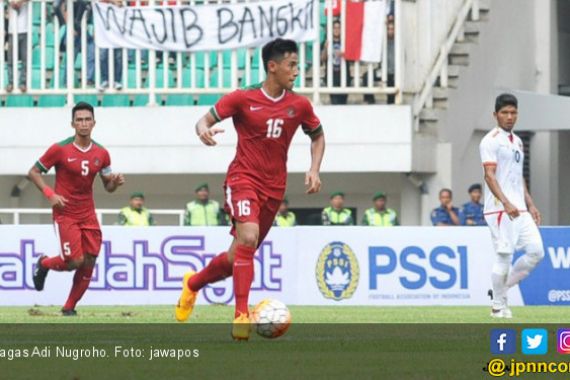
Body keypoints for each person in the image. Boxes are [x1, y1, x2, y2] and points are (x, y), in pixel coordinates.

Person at [175, 38, 325, 340]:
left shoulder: (299, 105)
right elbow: (203, 120)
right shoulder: (243, 98)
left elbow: (318, 136)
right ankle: (241, 315)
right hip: (243, 179)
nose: (297, 71)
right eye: (291, 65)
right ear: (272, 66)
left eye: (297, 65)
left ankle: (192, 285)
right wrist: (203, 130)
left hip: (274, 189)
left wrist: (314, 169)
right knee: (248, 236)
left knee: (236, 258)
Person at [28, 102, 125, 316]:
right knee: (74, 262)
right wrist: (50, 194)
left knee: (90, 260)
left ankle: (69, 307)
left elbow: (107, 187)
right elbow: (33, 172)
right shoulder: (59, 149)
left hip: (88, 213)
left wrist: (114, 183)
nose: (83, 123)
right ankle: (43, 263)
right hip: (65, 213)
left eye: (87, 119)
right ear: (72, 124)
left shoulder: (102, 153)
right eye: (79, 120)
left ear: (94, 123)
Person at [480, 93, 544, 319]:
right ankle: (498, 306)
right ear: (495, 115)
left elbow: (518, 176)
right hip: (500, 208)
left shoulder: (517, 141)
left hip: (521, 209)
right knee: (504, 255)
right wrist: (506, 202)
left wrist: (530, 203)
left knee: (537, 252)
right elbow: (490, 176)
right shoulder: (490, 140)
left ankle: (500, 289)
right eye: (504, 112)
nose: (509, 117)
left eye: (513, 112)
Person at [321, 19, 348, 104]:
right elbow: (322, 59)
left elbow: (351, 57)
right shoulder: (327, 42)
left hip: (344, 76)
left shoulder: (346, 42)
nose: (336, 29)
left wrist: (344, 54)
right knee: (334, 102)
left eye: (338, 27)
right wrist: (326, 48)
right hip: (331, 76)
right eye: (334, 28)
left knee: (343, 103)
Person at [6, 0, 29, 93]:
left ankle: (23, 83)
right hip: (12, 30)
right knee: (10, 59)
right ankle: (10, 83)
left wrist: (20, 2)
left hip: (24, 29)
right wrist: (10, 2)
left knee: (25, 59)